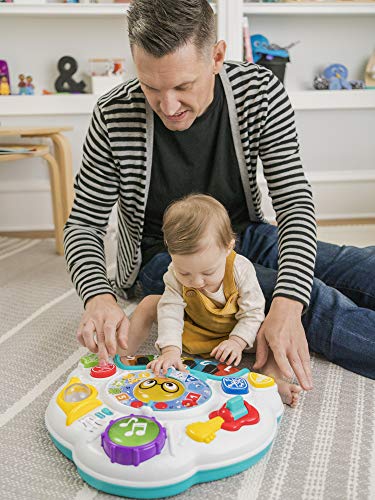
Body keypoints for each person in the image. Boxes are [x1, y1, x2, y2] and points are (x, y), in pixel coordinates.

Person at [65, 0, 375, 397]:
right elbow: (84, 225)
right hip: (166, 256)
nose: (169, 106)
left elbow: (294, 202)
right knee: (317, 301)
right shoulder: (113, 113)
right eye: (152, 88)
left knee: (353, 267)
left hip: (242, 232)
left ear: (217, 56)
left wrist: (287, 303)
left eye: (182, 86)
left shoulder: (259, 92)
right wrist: (98, 297)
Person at [123, 194, 302, 407]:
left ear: (228, 247)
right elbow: (170, 311)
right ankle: (120, 357)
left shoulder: (240, 269)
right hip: (197, 328)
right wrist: (170, 349)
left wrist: (237, 341)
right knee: (150, 303)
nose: (197, 282)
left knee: (272, 329)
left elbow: (252, 313)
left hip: (237, 334)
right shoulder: (173, 273)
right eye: (185, 273)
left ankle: (272, 380)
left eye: (208, 272)